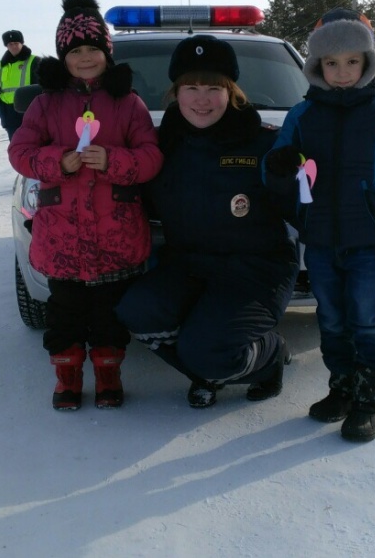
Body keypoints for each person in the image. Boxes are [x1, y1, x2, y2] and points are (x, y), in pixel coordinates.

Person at [264, 8, 375, 442]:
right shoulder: (302, 116)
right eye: (331, 63)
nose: (342, 72)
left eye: (351, 61)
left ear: (368, 62)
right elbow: (276, 173)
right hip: (319, 242)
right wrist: (278, 166)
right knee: (332, 320)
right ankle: (342, 387)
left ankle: (370, 402)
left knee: (367, 319)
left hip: (370, 244)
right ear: (317, 66)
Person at [116, 35, 298, 409]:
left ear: (231, 92)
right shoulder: (160, 146)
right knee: (136, 311)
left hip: (256, 269)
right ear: (175, 93)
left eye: (213, 88)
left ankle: (268, 356)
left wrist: (287, 184)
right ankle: (204, 371)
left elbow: (309, 210)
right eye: (191, 87)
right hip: (190, 265)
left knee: (207, 351)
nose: (201, 99)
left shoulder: (266, 143)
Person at [8, 0, 163, 411]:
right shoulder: (45, 103)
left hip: (117, 237)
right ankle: (68, 381)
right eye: (76, 50)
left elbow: (150, 158)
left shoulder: (128, 103)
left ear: (106, 53)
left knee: (110, 320)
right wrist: (59, 161)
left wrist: (113, 160)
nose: (86, 57)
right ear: (64, 55)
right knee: (64, 319)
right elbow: (20, 154)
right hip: (62, 240)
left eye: (94, 48)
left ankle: (109, 378)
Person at [0, 29, 38, 138]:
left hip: (29, 112)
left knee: (33, 147)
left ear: (22, 43)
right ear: (6, 46)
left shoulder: (34, 61)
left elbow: (42, 86)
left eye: (16, 43)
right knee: (16, 150)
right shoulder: (2, 65)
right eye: (10, 44)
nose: (13, 46)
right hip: (8, 114)